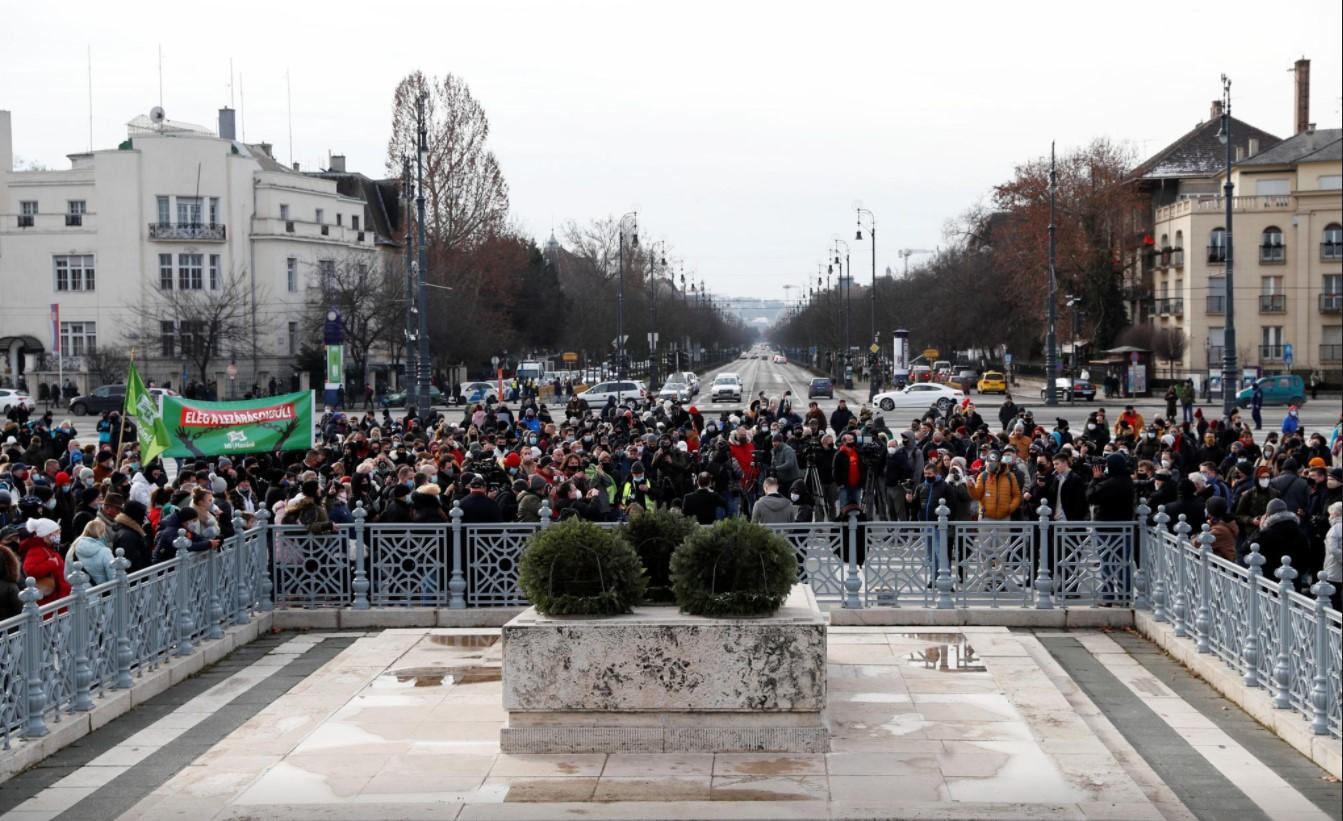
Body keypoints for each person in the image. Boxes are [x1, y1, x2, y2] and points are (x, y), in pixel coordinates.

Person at [20, 518, 70, 605]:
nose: (59, 535)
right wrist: (50, 564)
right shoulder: (37, 549)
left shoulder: (48, 548)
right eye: (56, 532)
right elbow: (30, 570)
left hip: (58, 600)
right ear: (47, 534)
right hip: (51, 602)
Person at [1255, 498, 1305, 585]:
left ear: (1268, 514)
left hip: (1270, 580)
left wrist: (1261, 528)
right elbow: (1306, 555)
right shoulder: (1298, 531)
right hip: (1294, 579)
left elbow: (1247, 548)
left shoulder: (1267, 533)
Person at [70, 519, 116, 585]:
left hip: (80, 592)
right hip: (102, 592)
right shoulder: (105, 552)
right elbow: (113, 576)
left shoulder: (74, 547)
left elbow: (68, 573)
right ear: (101, 533)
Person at [1205, 497, 1239, 562]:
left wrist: (1193, 537)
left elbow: (1198, 542)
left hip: (1224, 568)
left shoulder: (1219, 530)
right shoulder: (1223, 524)